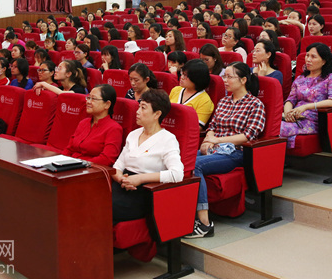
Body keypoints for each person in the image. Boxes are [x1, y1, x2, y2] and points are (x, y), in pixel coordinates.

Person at [185, 62, 266, 238]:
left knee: (195, 166)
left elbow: (248, 135)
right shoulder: (224, 101)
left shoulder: (255, 104)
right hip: (214, 148)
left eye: (229, 77)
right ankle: (184, 214)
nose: (225, 80)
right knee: (181, 161)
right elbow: (212, 126)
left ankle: (205, 224)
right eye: (224, 76)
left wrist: (217, 140)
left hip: (236, 152)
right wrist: (207, 140)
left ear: (243, 80)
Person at [112, 89, 184, 223]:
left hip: (144, 191)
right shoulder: (133, 134)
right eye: (138, 106)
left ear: (157, 114)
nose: (137, 111)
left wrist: (140, 179)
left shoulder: (168, 139)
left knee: (105, 208)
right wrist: (122, 179)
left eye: (143, 108)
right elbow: (118, 165)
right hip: (122, 185)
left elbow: (177, 174)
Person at [280, 43, 332, 149]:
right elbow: (290, 100)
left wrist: (306, 107)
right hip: (295, 118)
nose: (308, 59)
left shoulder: (330, 78)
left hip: (312, 120)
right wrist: (287, 113)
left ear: (323, 61)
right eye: (307, 55)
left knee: (277, 129)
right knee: (268, 125)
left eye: (313, 57)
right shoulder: (300, 78)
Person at [62, 84, 123, 166]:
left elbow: (107, 159)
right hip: (72, 166)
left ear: (107, 104)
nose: (88, 102)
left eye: (93, 99)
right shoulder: (83, 123)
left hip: (90, 169)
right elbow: (69, 149)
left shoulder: (114, 129)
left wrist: (81, 164)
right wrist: (60, 162)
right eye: (88, 97)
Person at [169, 59, 214, 128]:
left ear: (196, 78)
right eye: (182, 73)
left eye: (185, 75)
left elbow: (197, 127)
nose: (181, 77)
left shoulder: (205, 101)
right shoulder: (176, 90)